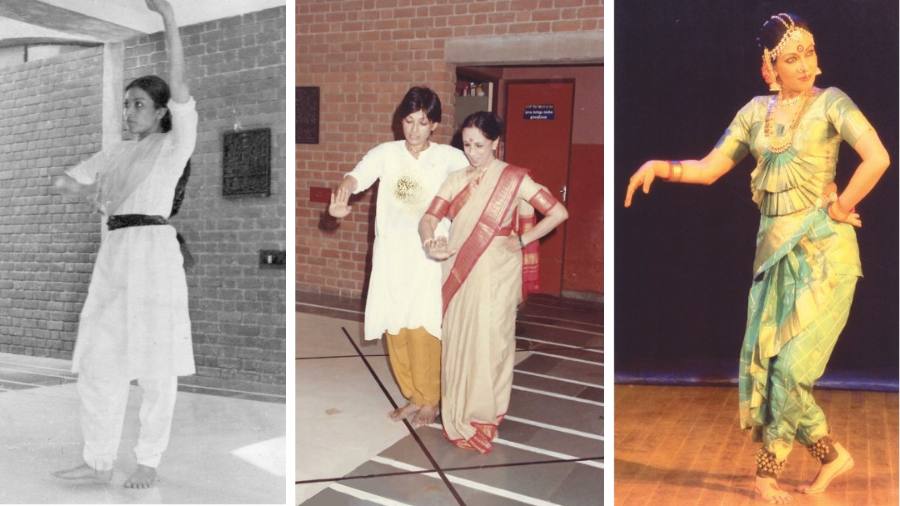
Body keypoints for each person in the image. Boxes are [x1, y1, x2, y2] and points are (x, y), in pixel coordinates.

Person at [624, 13, 889, 504]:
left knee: (790, 370)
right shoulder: (755, 113)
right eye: (792, 57)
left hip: (826, 256)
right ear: (769, 65)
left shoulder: (833, 103)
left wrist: (841, 205)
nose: (805, 65)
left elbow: (877, 157)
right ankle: (831, 455)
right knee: (772, 366)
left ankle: (766, 470)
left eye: (808, 53)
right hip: (775, 257)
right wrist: (658, 167)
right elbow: (708, 169)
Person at [51, 0, 197, 489]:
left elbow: (180, 87)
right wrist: (89, 191)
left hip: (154, 253)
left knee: (157, 365)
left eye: (138, 104)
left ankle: (149, 459)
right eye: (126, 104)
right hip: (114, 255)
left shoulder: (175, 146)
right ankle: (97, 459)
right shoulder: (115, 152)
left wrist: (169, 19)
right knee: (99, 359)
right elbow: (64, 182)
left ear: (160, 113)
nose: (129, 112)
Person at [419, 111, 568, 454]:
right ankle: (456, 411)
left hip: (498, 268)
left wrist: (522, 240)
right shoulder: (456, 178)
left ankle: (484, 416)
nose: (472, 152)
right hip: (458, 263)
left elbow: (558, 212)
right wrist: (431, 242)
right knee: (458, 339)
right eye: (467, 145)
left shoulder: (514, 179)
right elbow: (429, 218)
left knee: (490, 342)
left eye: (480, 145)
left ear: (496, 143)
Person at [328, 86, 469, 427]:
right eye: (408, 121)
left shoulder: (450, 158)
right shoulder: (386, 153)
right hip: (391, 255)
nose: (414, 130)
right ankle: (413, 395)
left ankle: (430, 399)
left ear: (434, 124)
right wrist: (343, 193)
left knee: (423, 325)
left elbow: (472, 192)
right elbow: (356, 176)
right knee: (396, 325)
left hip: (428, 257)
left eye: (422, 122)